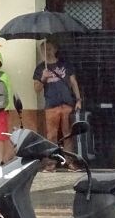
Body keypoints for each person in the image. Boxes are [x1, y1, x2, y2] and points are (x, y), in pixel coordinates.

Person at [32, 40, 83, 171]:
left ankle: (69, 161)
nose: (46, 52)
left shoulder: (65, 64)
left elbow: (73, 82)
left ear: (55, 49)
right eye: (43, 50)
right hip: (51, 105)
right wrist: (43, 78)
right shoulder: (40, 68)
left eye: (49, 49)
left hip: (67, 104)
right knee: (51, 136)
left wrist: (78, 100)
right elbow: (36, 89)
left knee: (68, 134)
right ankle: (51, 163)